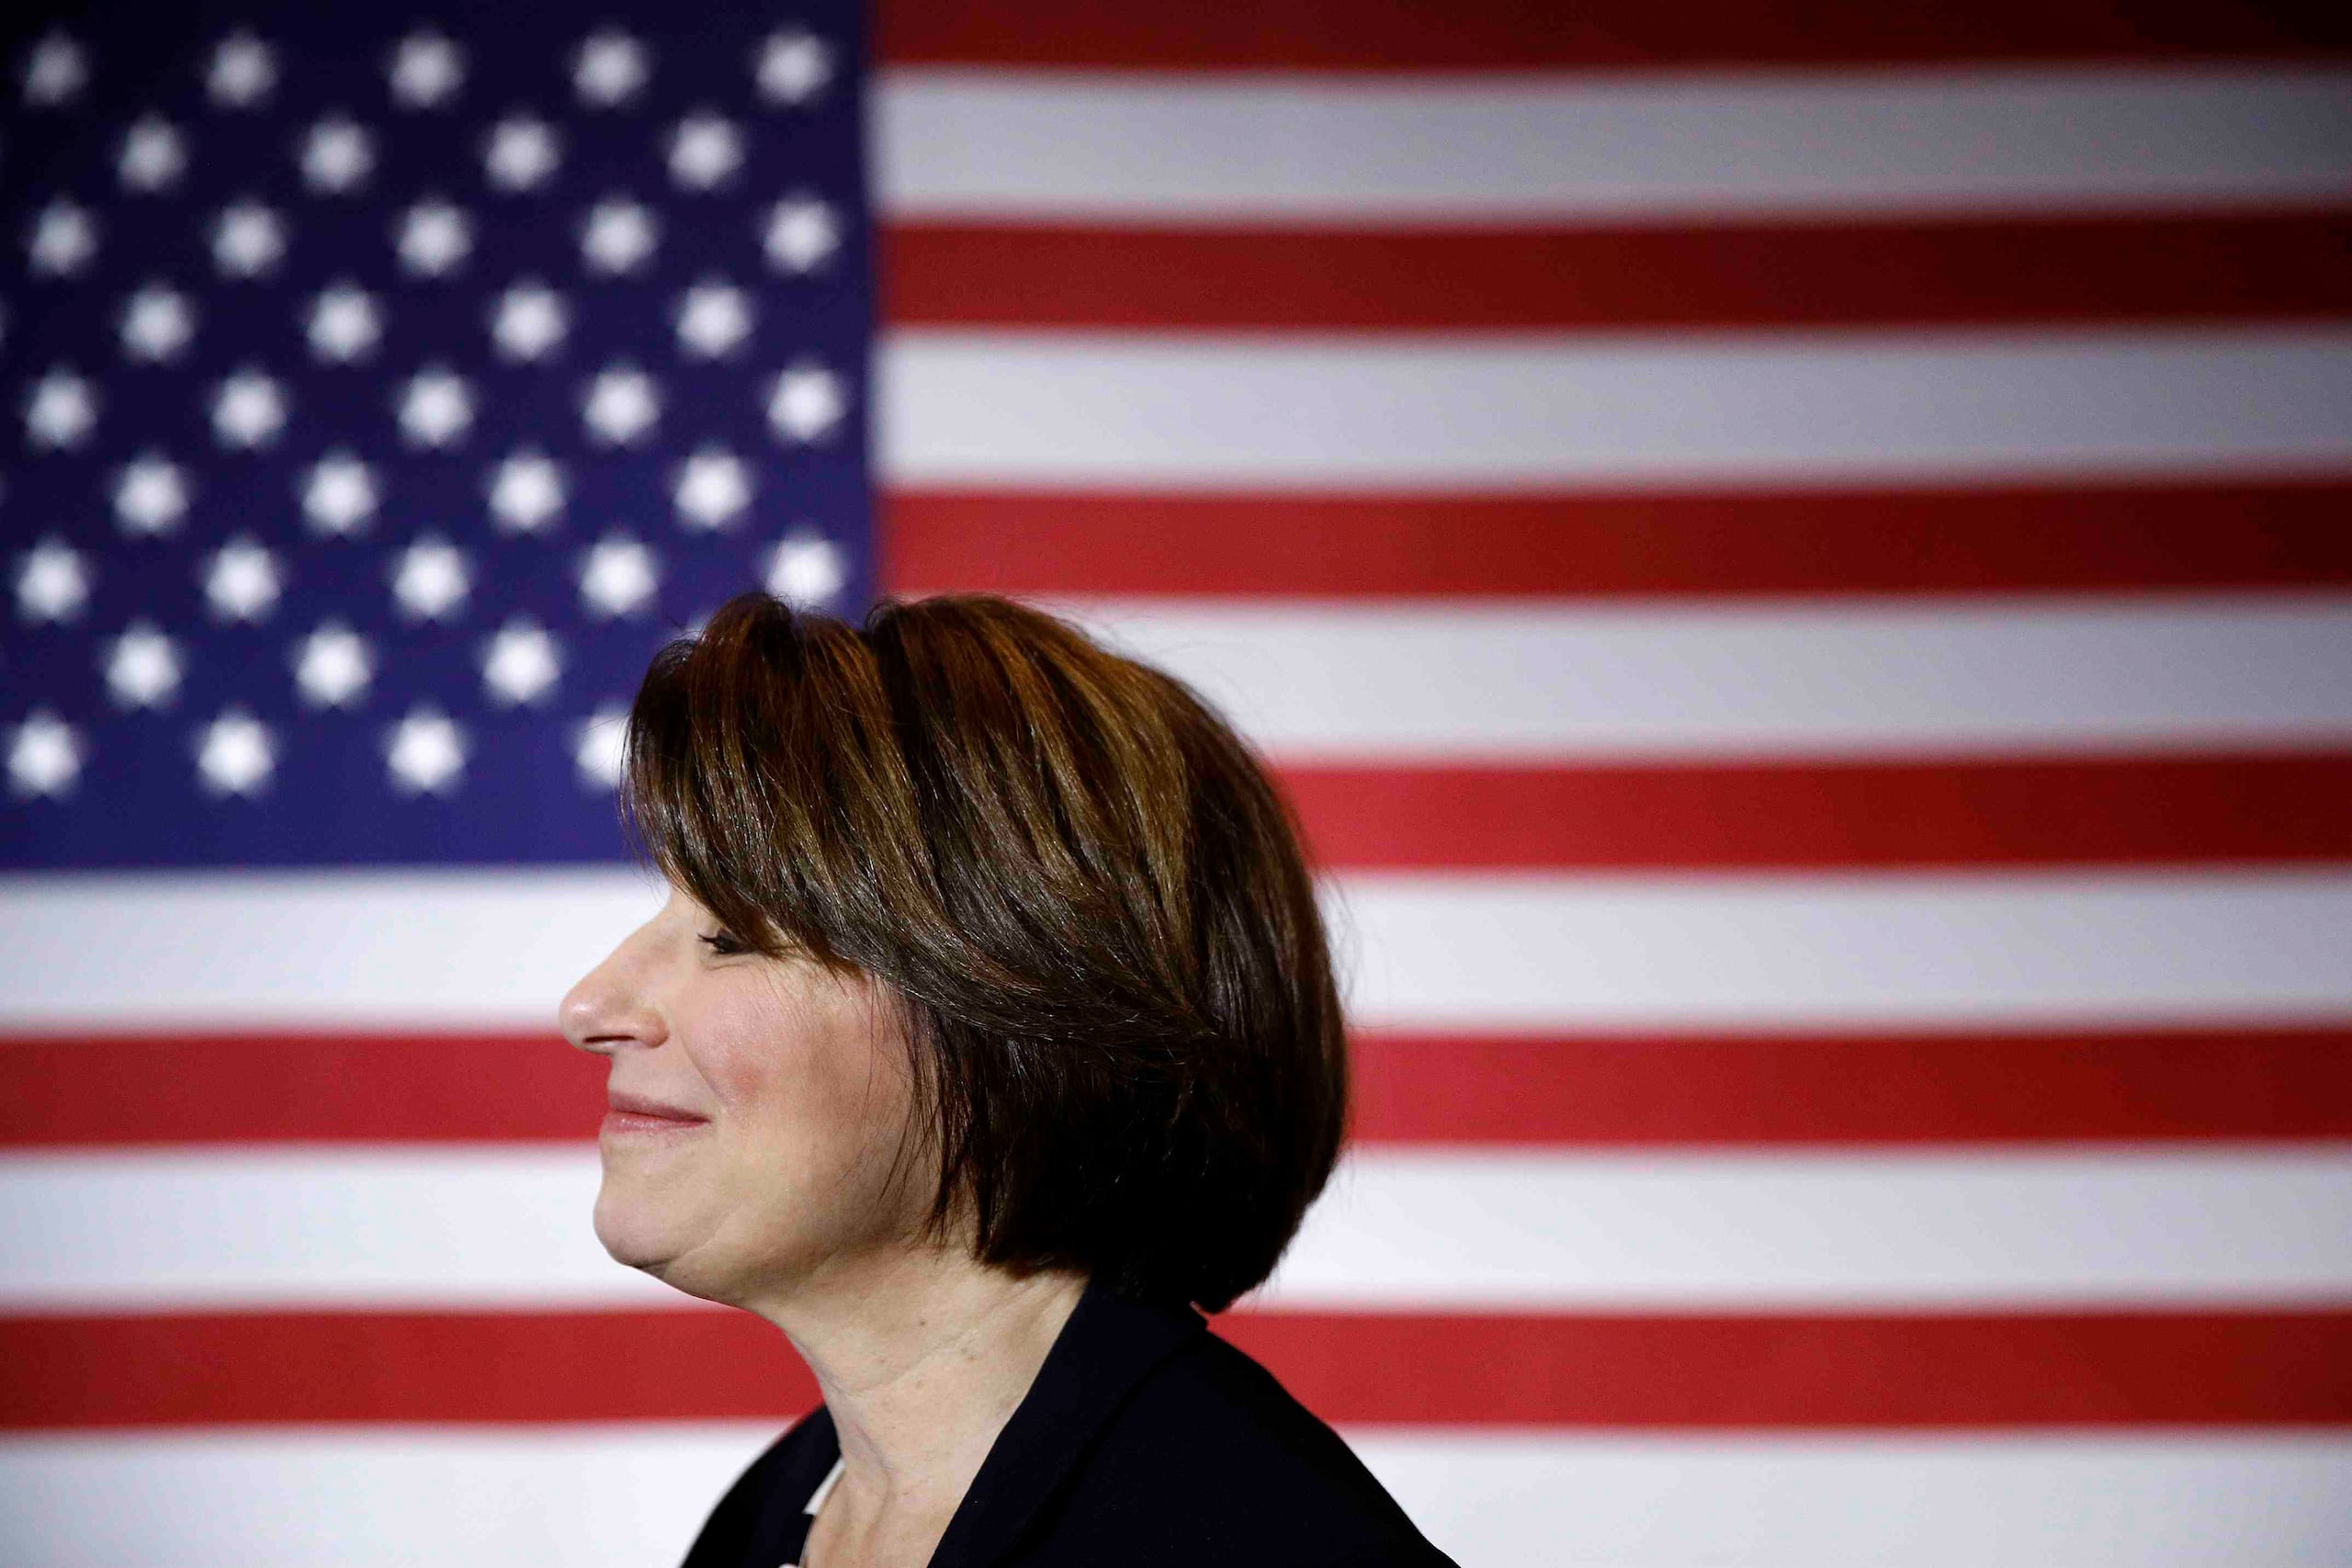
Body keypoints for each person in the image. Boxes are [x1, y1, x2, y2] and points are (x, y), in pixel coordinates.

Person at [560, 590, 1456, 1568]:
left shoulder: (1263, 1545)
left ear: (1015, 1008)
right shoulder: (772, 1520)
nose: (591, 1007)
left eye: (730, 937)